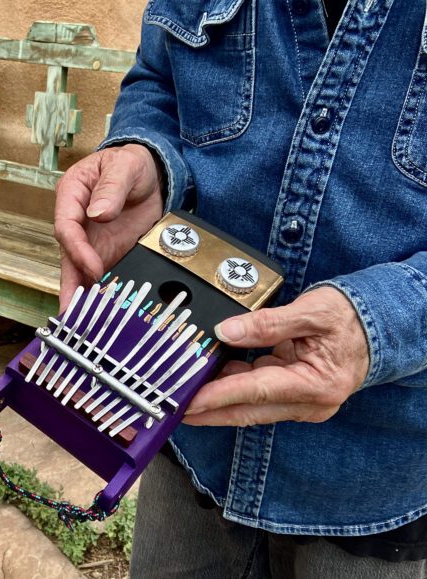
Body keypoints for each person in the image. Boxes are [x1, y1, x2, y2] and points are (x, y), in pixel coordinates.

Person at [54, 0, 427, 576]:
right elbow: (158, 82)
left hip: (374, 471)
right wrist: (145, 157)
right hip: (183, 424)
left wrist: (383, 322)